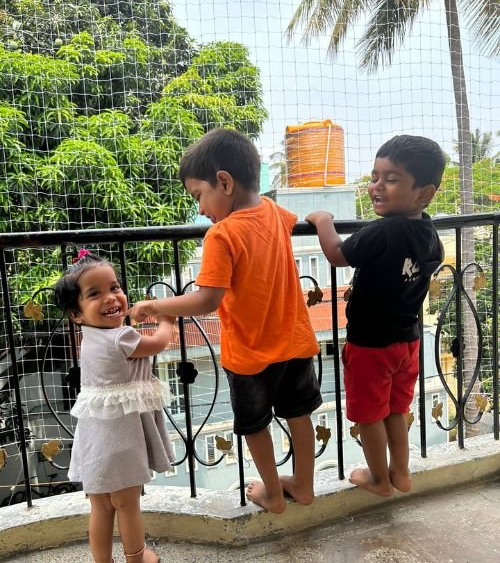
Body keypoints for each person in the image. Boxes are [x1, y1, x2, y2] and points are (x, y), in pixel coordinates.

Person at [127, 127, 322, 514]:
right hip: (295, 342)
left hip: (250, 354)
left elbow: (206, 300)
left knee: (255, 425)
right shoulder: (274, 211)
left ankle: (272, 493)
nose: (200, 209)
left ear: (225, 182)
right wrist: (322, 218)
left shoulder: (221, 234)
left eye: (199, 195)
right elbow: (293, 220)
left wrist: (158, 307)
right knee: (299, 415)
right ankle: (304, 485)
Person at [305, 134, 445, 498]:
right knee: (396, 411)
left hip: (370, 345)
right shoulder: (428, 231)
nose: (376, 187)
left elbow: (337, 254)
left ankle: (379, 480)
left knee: (369, 416)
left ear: (424, 193)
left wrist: (322, 219)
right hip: (408, 341)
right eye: (374, 177)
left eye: (391, 179)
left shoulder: (382, 230)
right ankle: (402, 473)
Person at [54, 250, 175, 563]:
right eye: (95, 294)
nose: (111, 297)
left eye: (115, 287)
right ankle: (137, 558)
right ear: (76, 313)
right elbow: (159, 343)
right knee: (127, 505)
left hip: (94, 441)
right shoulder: (122, 337)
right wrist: (166, 318)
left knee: (101, 506)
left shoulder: (89, 337)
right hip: (122, 441)